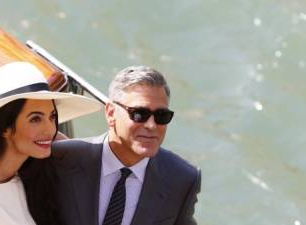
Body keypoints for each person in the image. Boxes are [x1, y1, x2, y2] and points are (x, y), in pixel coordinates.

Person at [0, 62, 102, 225]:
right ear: (4, 128)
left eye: (52, 117)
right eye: (35, 119)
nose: (50, 129)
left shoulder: (27, 179)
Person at [53, 65, 201, 225]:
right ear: (111, 113)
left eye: (161, 116)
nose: (151, 126)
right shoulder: (59, 160)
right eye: (139, 114)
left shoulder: (182, 179)